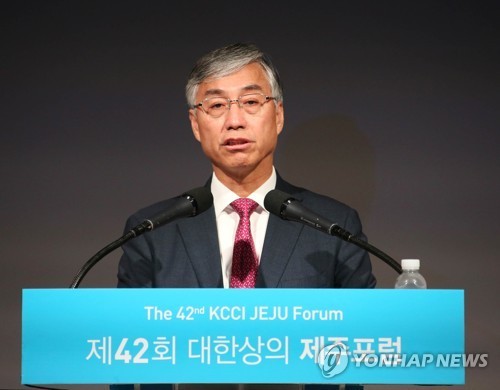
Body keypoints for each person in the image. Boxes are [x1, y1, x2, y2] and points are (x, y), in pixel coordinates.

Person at [116, 42, 375, 390]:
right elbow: (123, 357)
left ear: (279, 115)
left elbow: (365, 348)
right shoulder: (152, 231)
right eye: (217, 105)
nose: (234, 121)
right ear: (195, 124)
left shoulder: (333, 225)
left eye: (251, 102)